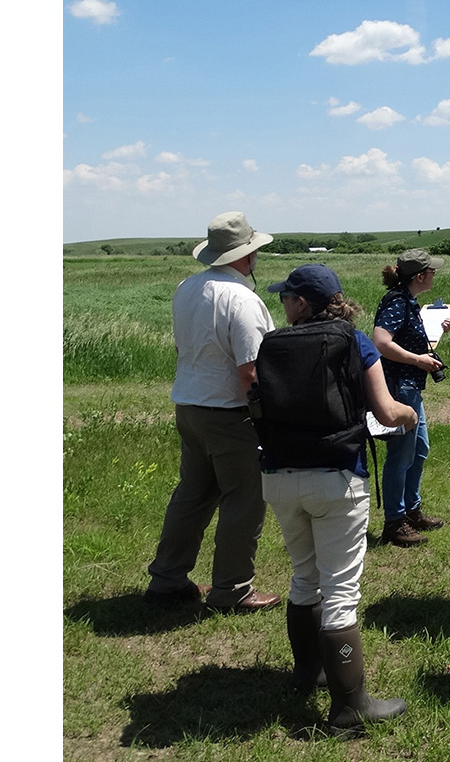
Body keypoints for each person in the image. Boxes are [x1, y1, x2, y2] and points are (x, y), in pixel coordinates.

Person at [254, 264, 417, 734]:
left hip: (279, 476)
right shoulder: (354, 340)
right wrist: (409, 416)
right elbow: (385, 411)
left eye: (287, 296)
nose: (283, 302)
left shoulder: (273, 344)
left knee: (303, 577)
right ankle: (349, 708)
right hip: (336, 478)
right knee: (341, 591)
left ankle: (310, 672)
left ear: (303, 303)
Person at [144, 211, 282, 613]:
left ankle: (167, 578)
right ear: (247, 255)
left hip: (189, 405)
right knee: (244, 500)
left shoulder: (187, 287)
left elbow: (181, 347)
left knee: (193, 494)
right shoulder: (242, 299)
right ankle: (233, 590)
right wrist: (265, 421)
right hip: (230, 412)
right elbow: (250, 370)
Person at [372, 248, 450, 547]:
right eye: (431, 271)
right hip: (400, 387)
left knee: (419, 450)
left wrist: (434, 332)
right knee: (401, 455)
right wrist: (418, 361)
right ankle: (395, 523)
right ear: (420, 276)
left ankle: (411, 511)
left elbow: (405, 338)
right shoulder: (397, 302)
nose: (434, 274)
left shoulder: (407, 301)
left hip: (409, 386)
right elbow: (380, 342)